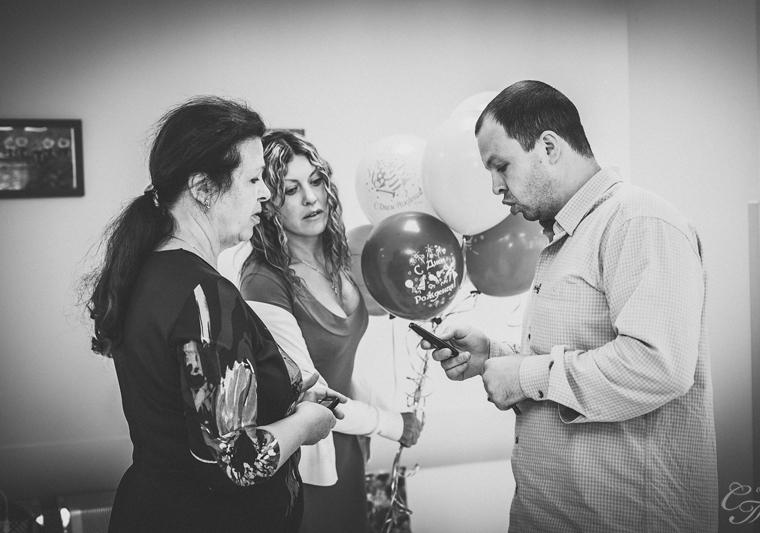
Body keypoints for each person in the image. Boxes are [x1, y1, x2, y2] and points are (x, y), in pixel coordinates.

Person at [427, 81, 718, 532]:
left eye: (501, 166)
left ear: (548, 147)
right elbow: (572, 356)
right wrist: (494, 356)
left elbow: (658, 365)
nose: (495, 187)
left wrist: (523, 377)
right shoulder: (563, 238)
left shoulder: (638, 221)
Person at [83, 97, 346, 533]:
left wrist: (288, 396)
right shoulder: (205, 295)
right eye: (254, 179)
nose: (266, 193)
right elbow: (235, 463)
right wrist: (305, 424)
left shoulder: (149, 270)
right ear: (204, 188)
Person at [236, 130, 423, 533]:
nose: (311, 198)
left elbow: (341, 366)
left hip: (349, 444)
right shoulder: (263, 282)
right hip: (306, 460)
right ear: (266, 202)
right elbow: (311, 391)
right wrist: (391, 424)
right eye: (291, 189)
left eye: (316, 181)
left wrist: (394, 415)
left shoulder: (339, 256)